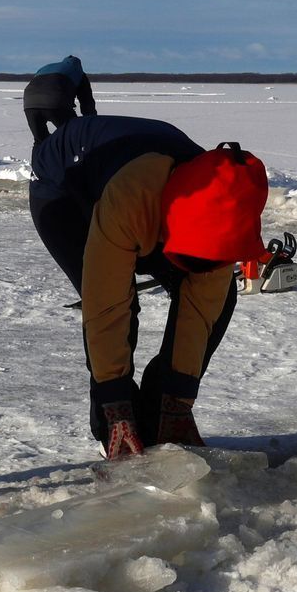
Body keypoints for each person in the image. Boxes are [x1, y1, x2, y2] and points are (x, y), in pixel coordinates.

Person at [29, 115, 269, 459]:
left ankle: (159, 411)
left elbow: (201, 308)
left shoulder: (225, 208)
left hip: (155, 185)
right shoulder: (132, 199)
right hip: (64, 187)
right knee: (117, 303)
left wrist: (177, 399)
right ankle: (111, 428)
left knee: (220, 298)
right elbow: (106, 307)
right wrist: (115, 403)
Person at [23, 53, 98, 141]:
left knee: (40, 140)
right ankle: (76, 153)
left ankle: (40, 154)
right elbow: (86, 101)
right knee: (74, 136)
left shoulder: (46, 67)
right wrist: (91, 123)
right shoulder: (78, 72)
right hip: (56, 102)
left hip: (30, 103)